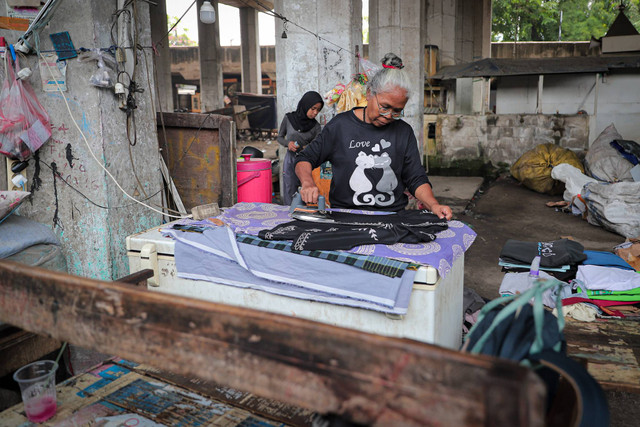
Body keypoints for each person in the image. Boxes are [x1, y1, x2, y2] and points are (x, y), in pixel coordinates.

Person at [295, 53, 452, 220]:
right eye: (385, 107)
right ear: (369, 93)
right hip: (346, 218)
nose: (389, 115)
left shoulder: (403, 132)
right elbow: (304, 158)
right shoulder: (340, 126)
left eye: (397, 111)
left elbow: (415, 177)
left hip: (392, 217)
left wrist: (434, 205)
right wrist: (307, 183)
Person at [277, 91, 324, 205]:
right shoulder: (289, 118)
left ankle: (303, 214)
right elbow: (279, 137)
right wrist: (288, 143)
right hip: (290, 160)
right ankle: (289, 214)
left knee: (306, 189)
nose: (315, 113)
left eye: (318, 110)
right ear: (305, 105)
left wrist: (307, 147)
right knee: (289, 188)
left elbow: (318, 145)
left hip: (307, 162)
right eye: (313, 108)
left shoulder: (316, 127)